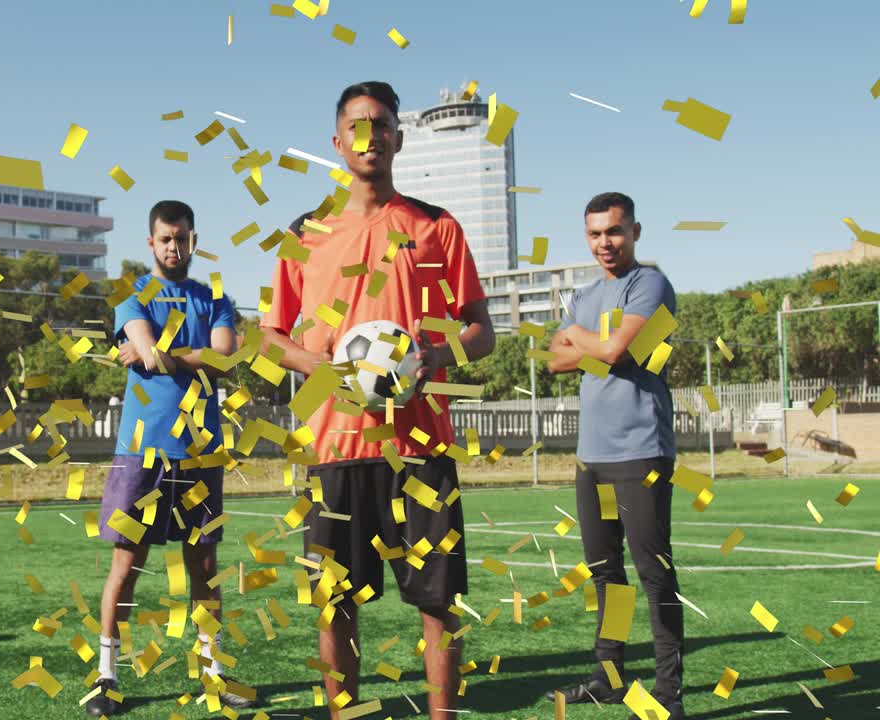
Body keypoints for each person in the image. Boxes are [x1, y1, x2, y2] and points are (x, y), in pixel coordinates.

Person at [260, 81, 495, 720]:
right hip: (335, 447)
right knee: (336, 606)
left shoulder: (438, 227)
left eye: (383, 124)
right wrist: (326, 369)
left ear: (399, 136)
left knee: (439, 605)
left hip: (420, 448)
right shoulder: (302, 233)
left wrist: (435, 355)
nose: (371, 137)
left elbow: (483, 329)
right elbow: (269, 336)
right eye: (358, 126)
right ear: (337, 143)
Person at [87, 200, 254, 716]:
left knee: (204, 566)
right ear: (151, 242)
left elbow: (221, 358)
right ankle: (107, 675)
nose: (174, 247)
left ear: (194, 239)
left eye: (182, 238)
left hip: (201, 451)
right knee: (127, 566)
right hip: (142, 450)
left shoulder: (216, 298)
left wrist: (162, 354)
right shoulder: (131, 295)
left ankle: (213, 674)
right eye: (165, 239)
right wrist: (174, 355)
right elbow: (149, 350)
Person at [545, 192, 683, 719]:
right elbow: (556, 362)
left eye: (615, 231)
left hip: (641, 453)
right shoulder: (585, 294)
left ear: (636, 231)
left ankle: (669, 696)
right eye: (596, 233)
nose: (606, 242)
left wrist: (582, 340)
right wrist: (592, 346)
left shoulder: (650, 284)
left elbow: (612, 352)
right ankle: (610, 678)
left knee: (655, 574)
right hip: (592, 457)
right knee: (607, 574)